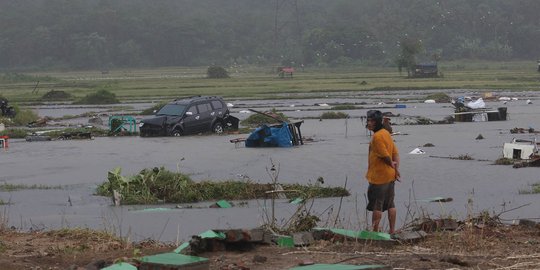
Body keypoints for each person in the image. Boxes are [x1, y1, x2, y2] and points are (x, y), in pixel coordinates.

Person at [365, 110, 400, 234]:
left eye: (372, 121)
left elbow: (385, 156)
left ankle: (375, 232)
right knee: (391, 204)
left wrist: (391, 164)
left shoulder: (377, 136)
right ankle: (392, 231)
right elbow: (395, 153)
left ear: (378, 123)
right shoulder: (386, 133)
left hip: (379, 177)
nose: (369, 123)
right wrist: (395, 170)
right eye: (368, 120)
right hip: (390, 175)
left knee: (377, 205)